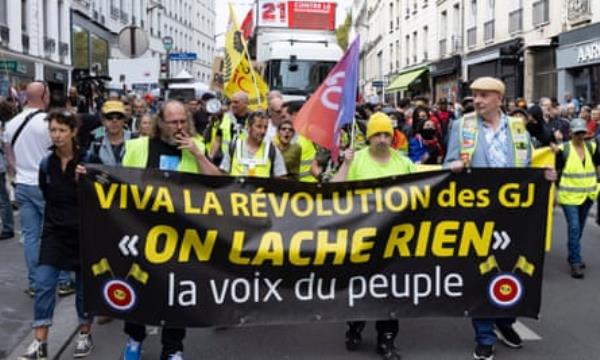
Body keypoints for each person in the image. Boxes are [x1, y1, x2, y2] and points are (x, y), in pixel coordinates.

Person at [444, 77, 556, 360]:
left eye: (483, 95)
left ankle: (505, 322)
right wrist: (453, 166)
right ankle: (484, 336)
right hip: (477, 215)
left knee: (514, 270)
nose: (477, 101)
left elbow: (528, 166)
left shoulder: (518, 128)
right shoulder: (462, 126)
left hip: (514, 216)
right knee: (481, 273)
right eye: (474, 96)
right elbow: (447, 165)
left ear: (498, 98)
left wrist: (545, 176)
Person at [120, 100, 214, 360]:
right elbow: (119, 183)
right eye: (173, 122)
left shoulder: (196, 147)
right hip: (142, 230)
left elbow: (218, 183)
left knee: (176, 291)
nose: (179, 126)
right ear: (161, 123)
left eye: (183, 121)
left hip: (181, 234)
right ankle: (135, 338)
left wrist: (198, 154)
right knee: (138, 284)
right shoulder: (138, 147)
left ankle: (172, 348)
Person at [333, 112, 415, 360]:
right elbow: (334, 192)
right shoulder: (356, 160)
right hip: (361, 240)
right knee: (361, 289)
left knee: (390, 291)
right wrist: (345, 165)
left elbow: (425, 187)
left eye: (386, 134)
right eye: (377, 134)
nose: (382, 139)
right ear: (368, 137)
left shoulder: (402, 162)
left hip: (393, 240)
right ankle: (354, 326)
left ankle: (386, 340)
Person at [18, 110, 94, 360]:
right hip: (54, 233)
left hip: (83, 232)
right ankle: (40, 342)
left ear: (73, 132)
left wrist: (86, 181)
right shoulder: (46, 163)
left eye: (62, 130)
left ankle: (84, 333)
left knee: (84, 288)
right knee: (43, 284)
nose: (57, 135)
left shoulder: (87, 159)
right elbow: (45, 191)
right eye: (53, 130)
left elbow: (103, 197)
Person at [3, 81, 74, 297]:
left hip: (23, 184)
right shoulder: (48, 123)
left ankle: (36, 283)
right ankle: (62, 281)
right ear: (44, 96)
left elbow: (8, 156)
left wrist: (18, 173)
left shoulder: (12, 123)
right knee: (57, 233)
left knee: (31, 237)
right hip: (47, 185)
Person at [552, 118, 600, 279]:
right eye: (577, 133)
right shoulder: (562, 149)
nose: (580, 136)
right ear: (571, 133)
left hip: (588, 195)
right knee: (573, 227)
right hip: (569, 196)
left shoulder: (592, 147)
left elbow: (597, 165)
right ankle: (575, 261)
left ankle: (573, 252)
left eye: (583, 133)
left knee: (578, 228)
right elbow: (554, 171)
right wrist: (554, 192)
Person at [218, 111, 287, 178]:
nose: (263, 131)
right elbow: (223, 176)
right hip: (237, 189)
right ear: (248, 127)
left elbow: (282, 179)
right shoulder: (234, 147)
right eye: (259, 126)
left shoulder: (272, 150)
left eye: (265, 127)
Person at [85, 101, 134, 166]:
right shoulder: (96, 143)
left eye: (119, 117)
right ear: (103, 121)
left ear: (123, 120)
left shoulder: (135, 139)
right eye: (109, 117)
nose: (114, 121)